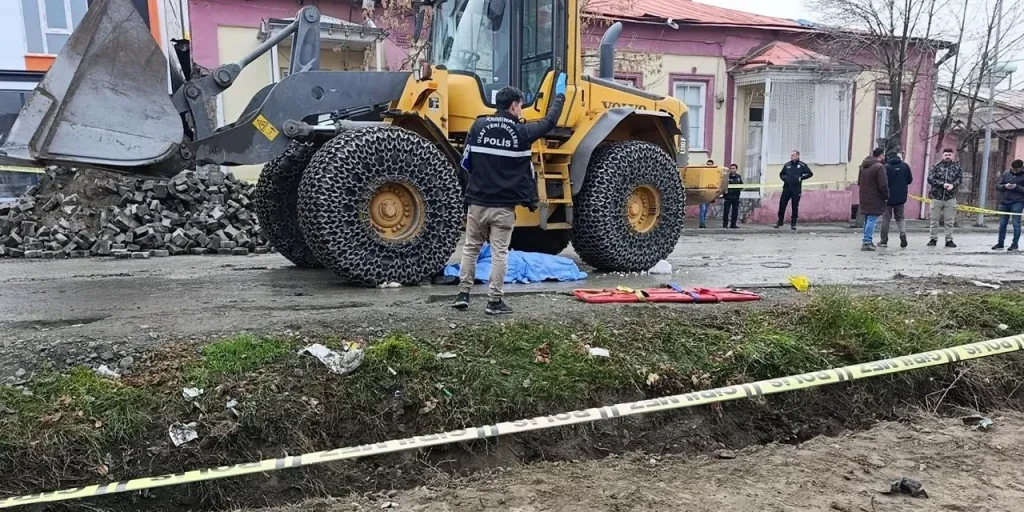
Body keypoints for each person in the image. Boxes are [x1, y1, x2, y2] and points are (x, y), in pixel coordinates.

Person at [452, 74, 567, 315]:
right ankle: (494, 302)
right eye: (521, 105)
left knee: (471, 248)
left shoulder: (478, 126)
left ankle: (463, 295)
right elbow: (550, 121)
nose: (522, 110)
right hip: (504, 207)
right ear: (513, 105)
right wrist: (560, 96)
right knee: (499, 254)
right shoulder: (522, 132)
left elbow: (466, 164)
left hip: (477, 203)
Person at [927, 148, 963, 248]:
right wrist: (942, 184)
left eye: (949, 155)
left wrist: (953, 185)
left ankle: (949, 239)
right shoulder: (936, 166)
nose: (947, 156)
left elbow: (960, 179)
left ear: (953, 156)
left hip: (950, 197)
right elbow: (930, 179)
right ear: (942, 155)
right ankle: (933, 239)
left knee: (949, 221)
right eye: (946, 155)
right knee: (934, 220)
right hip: (937, 197)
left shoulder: (957, 167)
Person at [879, 150, 913, 248]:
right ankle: (902, 233)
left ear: (887, 157)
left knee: (886, 219)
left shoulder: (886, 167)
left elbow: (883, 182)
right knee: (900, 217)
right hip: (901, 197)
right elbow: (909, 180)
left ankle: (884, 241)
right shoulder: (905, 166)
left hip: (887, 197)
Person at [858, 148, 889, 251]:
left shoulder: (863, 166)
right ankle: (867, 241)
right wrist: (886, 196)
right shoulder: (880, 167)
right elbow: (883, 185)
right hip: (875, 197)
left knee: (867, 219)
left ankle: (866, 240)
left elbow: (859, 182)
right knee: (872, 219)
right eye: (883, 156)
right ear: (881, 156)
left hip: (864, 196)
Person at [992, 159, 1024, 252]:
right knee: (1002, 224)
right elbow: (997, 186)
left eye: (1016, 170)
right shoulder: (1006, 173)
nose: (1014, 171)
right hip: (1004, 202)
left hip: (1018, 202)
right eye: (1013, 169)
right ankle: (1000, 243)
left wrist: (1016, 187)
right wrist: (1005, 186)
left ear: (1021, 168)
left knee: (1016, 224)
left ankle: (1015, 244)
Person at [776, 150, 813, 230]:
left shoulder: (802, 165)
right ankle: (780, 221)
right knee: (782, 204)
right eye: (791, 155)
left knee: (794, 206)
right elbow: (781, 174)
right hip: (787, 188)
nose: (791, 157)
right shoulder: (787, 165)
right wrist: (785, 179)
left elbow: (810, 173)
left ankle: (793, 223)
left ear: (797, 156)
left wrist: (800, 178)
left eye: (793, 155)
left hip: (796, 189)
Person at [722, 163, 743, 229]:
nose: (732, 170)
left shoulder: (738, 177)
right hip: (728, 197)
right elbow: (723, 185)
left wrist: (740, 188)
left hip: (736, 197)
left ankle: (733, 224)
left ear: (736, 169)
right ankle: (725, 224)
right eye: (731, 168)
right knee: (726, 211)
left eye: (733, 168)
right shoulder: (727, 177)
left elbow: (741, 185)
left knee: (735, 212)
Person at [698, 159, 716, 229]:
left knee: (705, 209)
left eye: (710, 165)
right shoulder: (703, 173)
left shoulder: (714, 174)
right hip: (702, 194)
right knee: (703, 208)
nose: (709, 166)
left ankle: (703, 222)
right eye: (708, 164)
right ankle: (702, 223)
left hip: (709, 194)